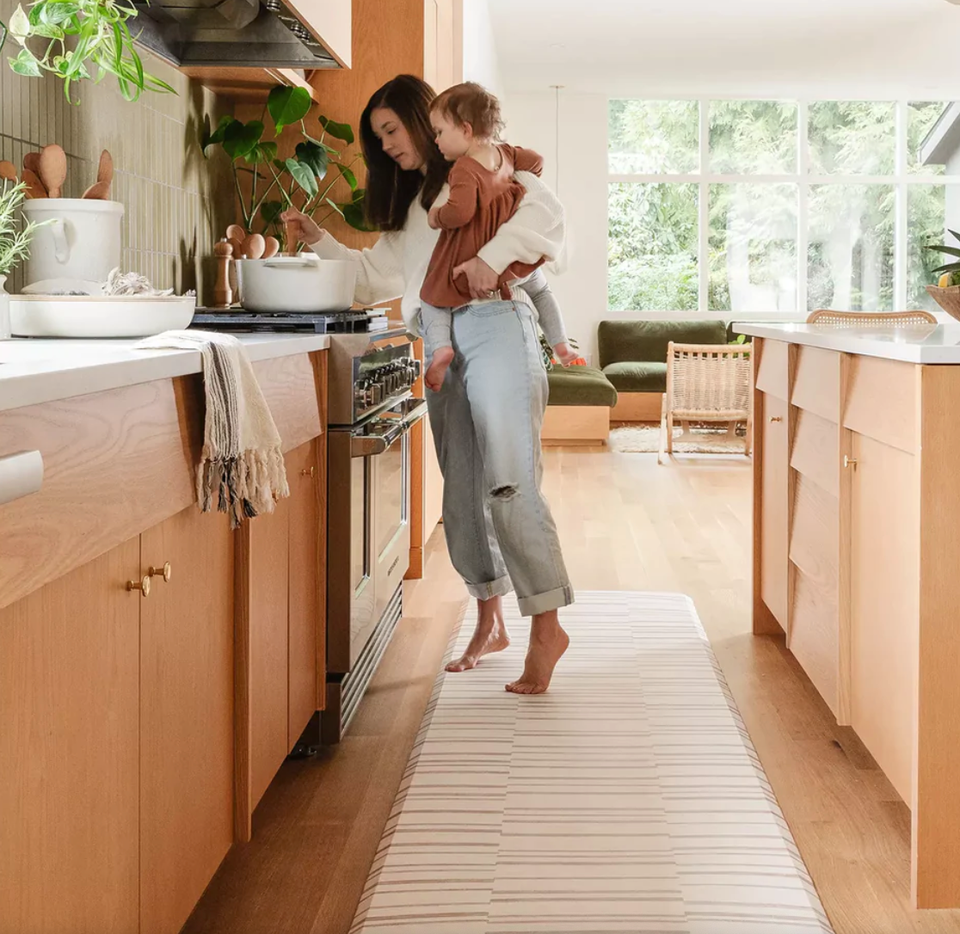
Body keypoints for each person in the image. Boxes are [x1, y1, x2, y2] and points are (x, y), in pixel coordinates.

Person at [281, 74, 573, 695]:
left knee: (509, 481)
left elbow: (550, 216)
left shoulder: (489, 166)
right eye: (377, 137)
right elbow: (370, 277)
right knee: (462, 492)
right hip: (440, 341)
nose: (385, 145)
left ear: (425, 121)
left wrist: (492, 260)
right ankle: (489, 617)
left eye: (391, 130)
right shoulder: (415, 207)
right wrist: (320, 241)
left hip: (496, 322)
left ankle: (546, 625)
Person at [419, 81, 578, 392]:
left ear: (465, 130)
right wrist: (509, 172)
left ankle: (440, 349)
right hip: (509, 260)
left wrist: (437, 216)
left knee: (431, 298)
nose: (435, 140)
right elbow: (536, 161)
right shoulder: (503, 154)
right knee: (541, 291)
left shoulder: (464, 168)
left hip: (471, 251)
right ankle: (561, 344)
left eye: (439, 132)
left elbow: (462, 212)